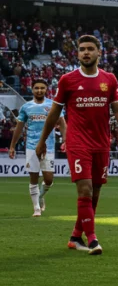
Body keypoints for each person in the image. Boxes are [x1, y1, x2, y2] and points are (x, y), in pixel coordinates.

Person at [35, 35, 118, 255]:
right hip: (77, 142)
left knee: (95, 192)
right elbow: (54, 114)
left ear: (99, 52)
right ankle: (93, 239)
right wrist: (42, 140)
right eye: (81, 49)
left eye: (89, 49)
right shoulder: (67, 80)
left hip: (102, 143)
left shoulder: (109, 79)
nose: (85, 52)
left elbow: (117, 109)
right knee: (85, 189)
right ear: (77, 53)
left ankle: (75, 236)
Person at [9, 79, 65, 217]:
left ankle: (40, 196)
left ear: (46, 89)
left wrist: (66, 140)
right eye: (36, 88)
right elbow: (19, 128)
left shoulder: (53, 105)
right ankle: (36, 208)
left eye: (42, 88)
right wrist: (12, 146)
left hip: (49, 146)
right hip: (31, 146)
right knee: (33, 176)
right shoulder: (26, 107)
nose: (39, 90)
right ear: (32, 89)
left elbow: (62, 123)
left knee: (49, 179)